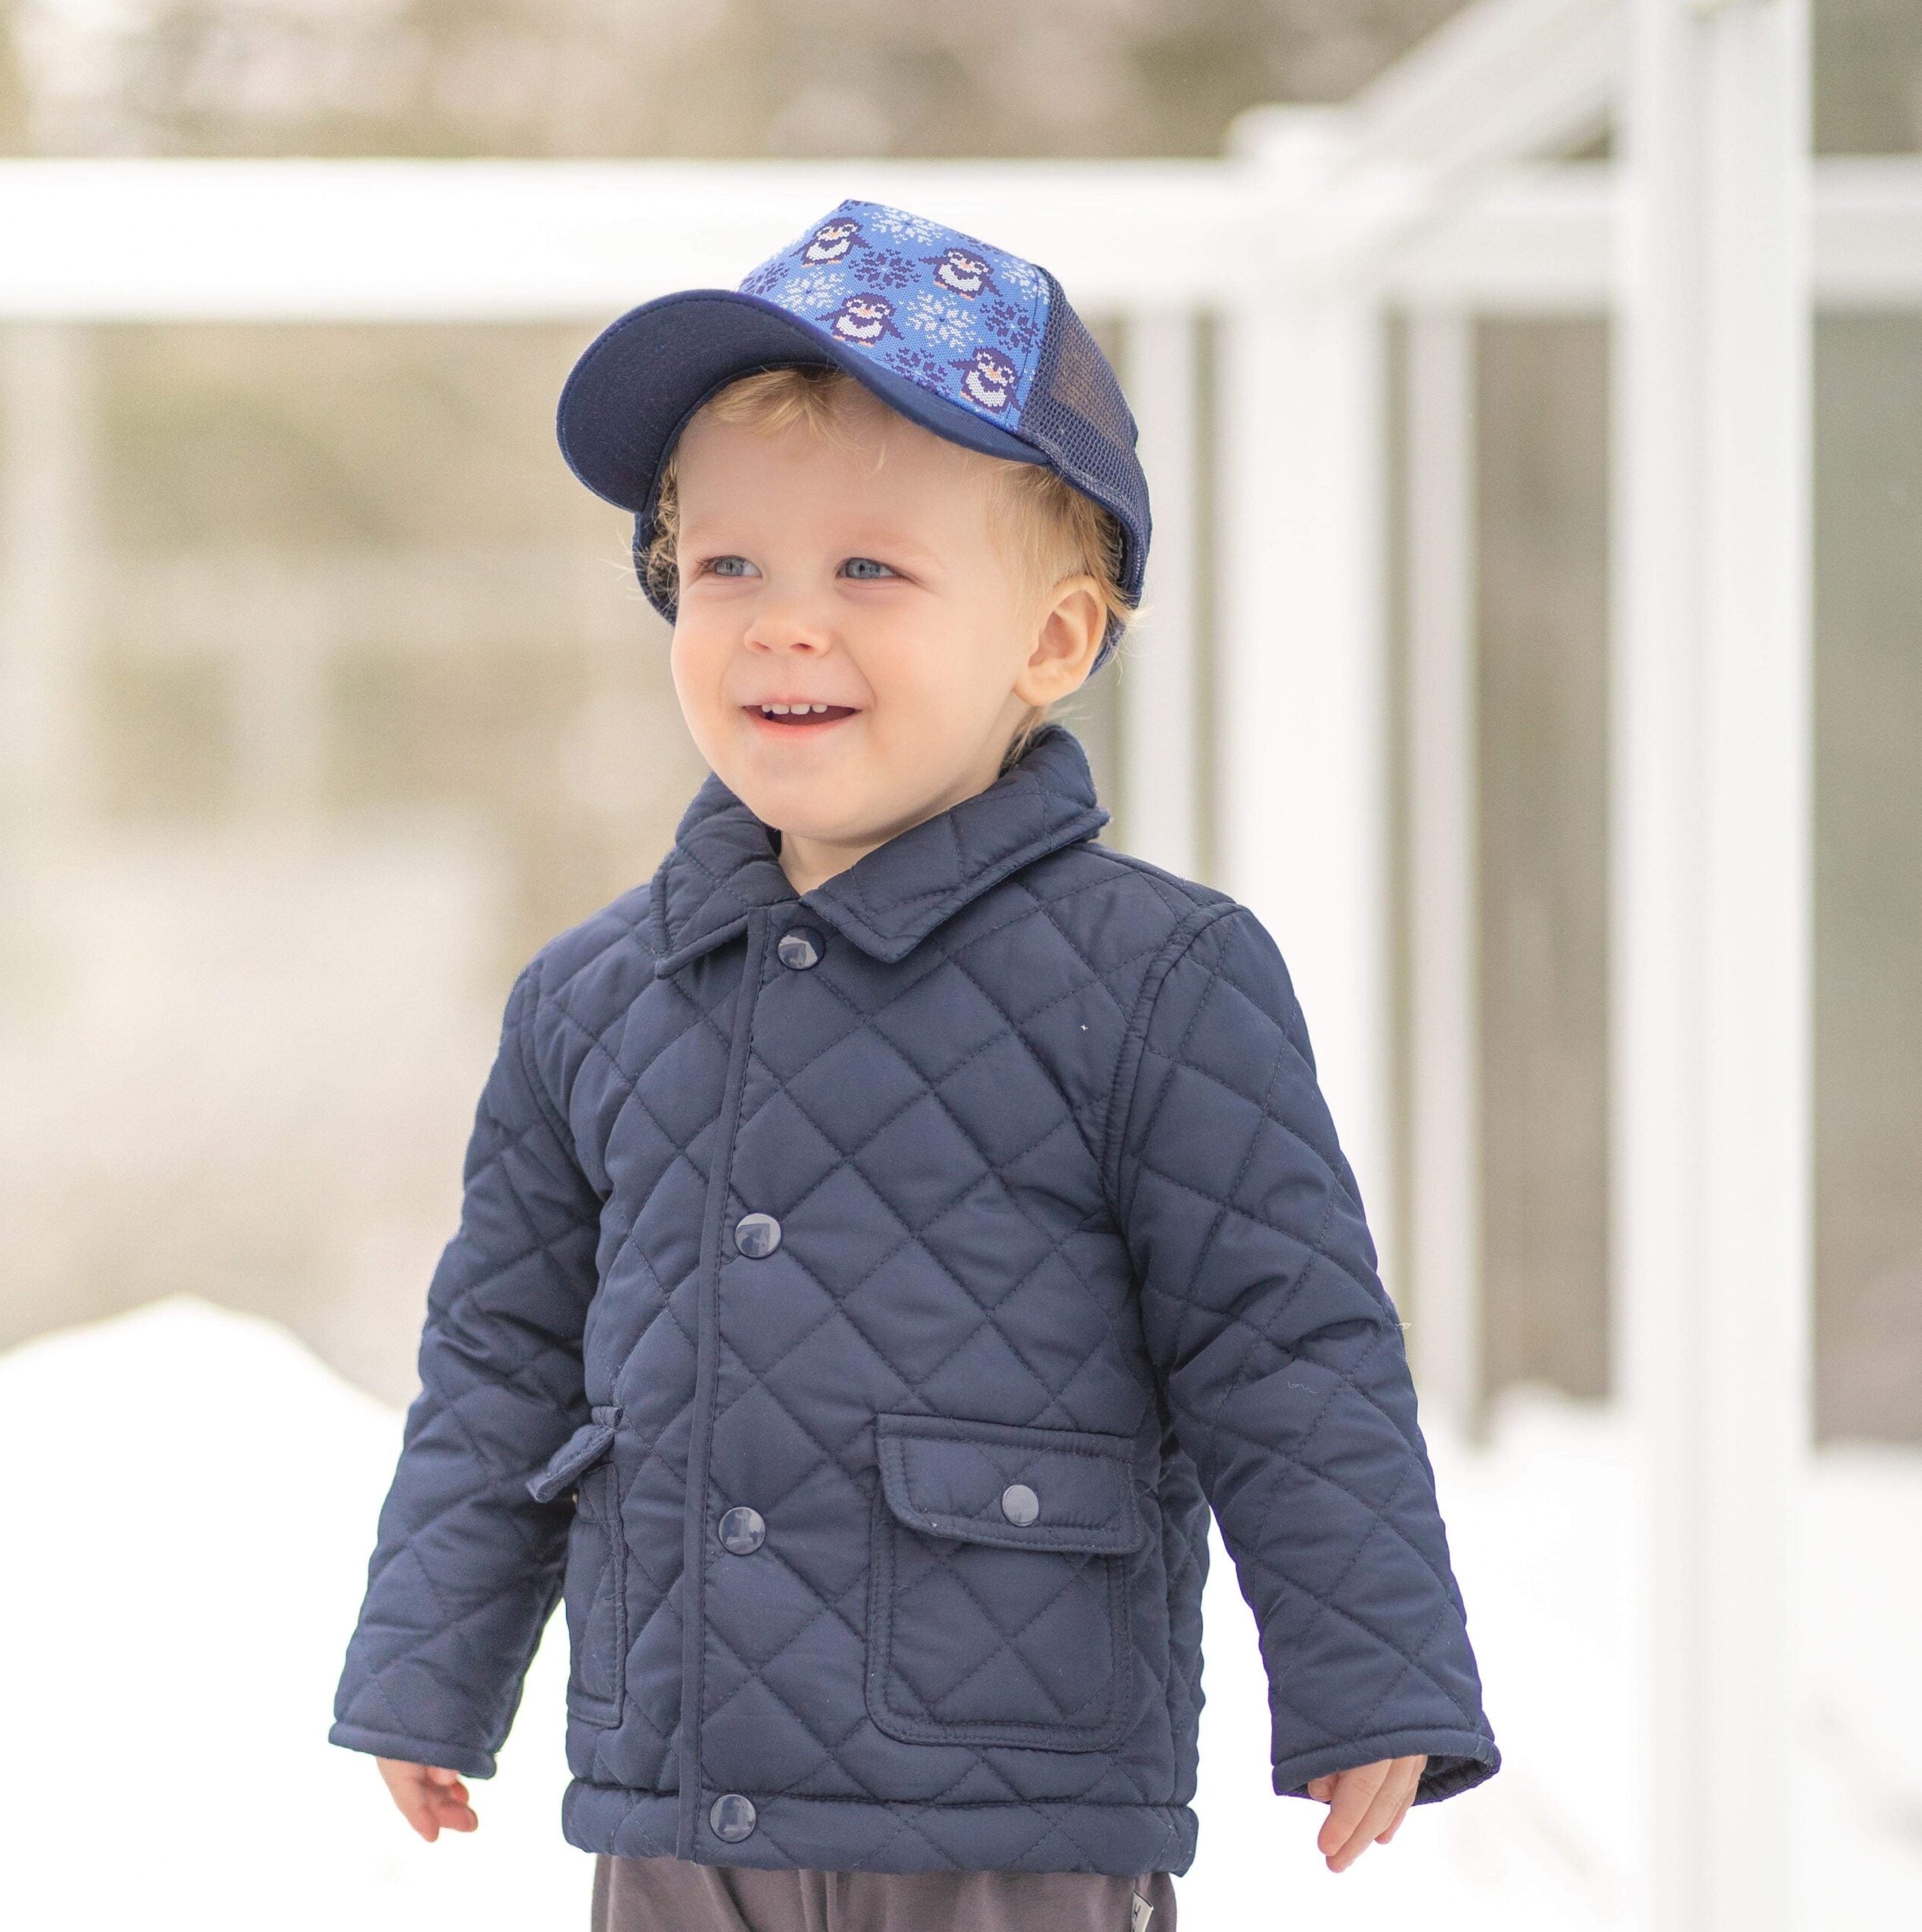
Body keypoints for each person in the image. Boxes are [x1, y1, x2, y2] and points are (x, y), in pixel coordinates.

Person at [330, 198, 1500, 1931]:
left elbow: (1286, 1344)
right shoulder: (587, 998)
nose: (783, 625)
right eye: (727, 566)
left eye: (867, 569)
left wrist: (1371, 1665)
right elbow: (500, 1352)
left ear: (1049, 641)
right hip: (678, 1782)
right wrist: (428, 1663)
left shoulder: (1159, 976)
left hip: (1009, 1799)